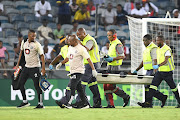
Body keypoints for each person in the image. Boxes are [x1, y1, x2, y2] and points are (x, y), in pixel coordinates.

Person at [55, 35, 97, 109]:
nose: (68, 42)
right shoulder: (70, 47)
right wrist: (61, 63)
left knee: (72, 86)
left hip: (78, 71)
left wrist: (93, 69)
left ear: (74, 41)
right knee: (79, 89)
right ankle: (85, 104)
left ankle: (68, 103)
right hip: (72, 70)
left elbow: (88, 59)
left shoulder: (81, 49)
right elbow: (68, 58)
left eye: (70, 41)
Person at [140, 35, 180, 108]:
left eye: (158, 40)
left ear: (162, 41)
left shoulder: (167, 49)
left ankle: (179, 102)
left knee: (173, 88)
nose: (157, 42)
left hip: (167, 72)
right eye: (156, 40)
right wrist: (156, 68)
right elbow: (156, 59)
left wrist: (157, 65)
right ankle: (148, 103)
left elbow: (165, 61)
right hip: (160, 72)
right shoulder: (157, 49)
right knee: (152, 87)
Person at [132, 34, 167, 108]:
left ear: (150, 40)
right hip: (148, 70)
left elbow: (155, 60)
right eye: (143, 41)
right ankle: (151, 102)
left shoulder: (153, 48)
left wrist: (155, 71)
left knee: (150, 87)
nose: (144, 42)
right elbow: (144, 61)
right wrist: (136, 70)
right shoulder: (147, 49)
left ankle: (151, 102)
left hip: (152, 70)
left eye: (145, 41)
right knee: (147, 86)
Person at [16, 30, 46, 109]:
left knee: (36, 85)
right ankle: (25, 102)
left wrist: (43, 68)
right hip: (26, 67)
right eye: (32, 36)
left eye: (35, 36)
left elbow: (42, 56)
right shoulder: (24, 42)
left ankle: (40, 104)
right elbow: (21, 53)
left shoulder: (37, 44)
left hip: (35, 68)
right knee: (20, 84)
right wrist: (18, 64)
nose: (34, 37)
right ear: (28, 35)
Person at [103, 29, 130, 108]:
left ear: (114, 35)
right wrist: (107, 57)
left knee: (110, 86)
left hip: (115, 67)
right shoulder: (112, 43)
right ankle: (111, 104)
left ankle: (124, 97)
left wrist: (112, 59)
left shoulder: (118, 44)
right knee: (107, 86)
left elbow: (122, 56)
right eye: (107, 35)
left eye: (109, 35)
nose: (108, 37)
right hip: (109, 66)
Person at [76, 28, 102, 108]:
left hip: (91, 65)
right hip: (90, 65)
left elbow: (87, 49)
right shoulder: (84, 41)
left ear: (84, 33)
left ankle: (81, 103)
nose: (78, 36)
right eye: (77, 35)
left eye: (79, 34)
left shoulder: (90, 40)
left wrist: (79, 43)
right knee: (92, 84)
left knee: (81, 83)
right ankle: (97, 103)